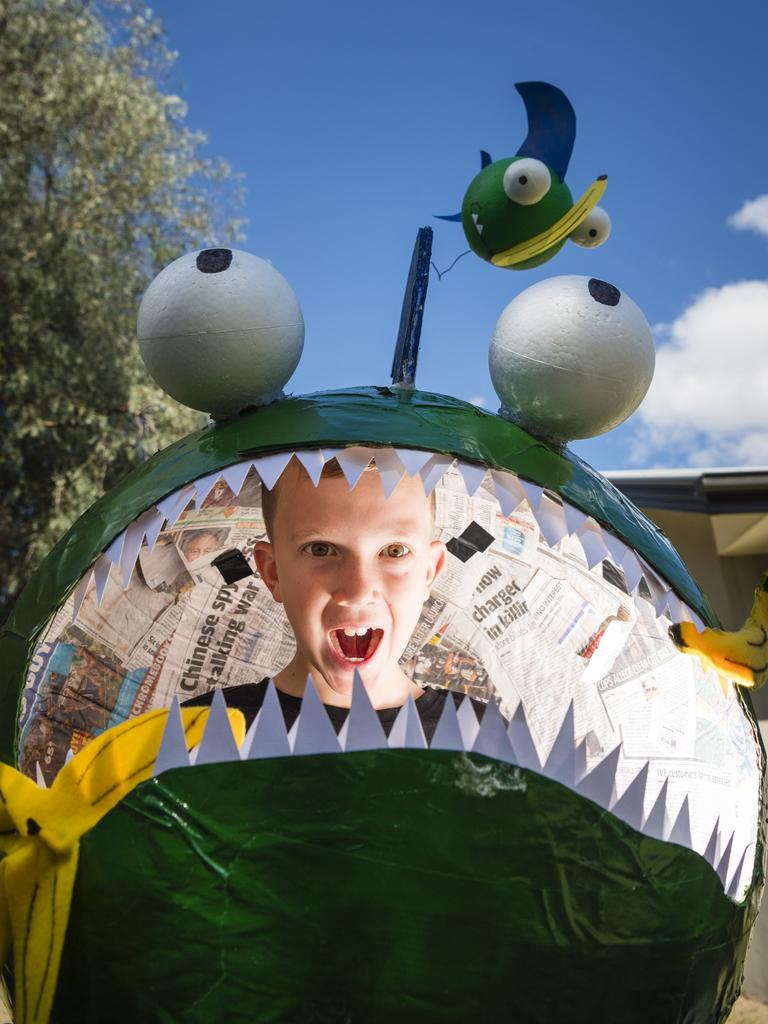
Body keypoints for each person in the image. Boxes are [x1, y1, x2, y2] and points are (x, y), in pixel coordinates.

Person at [185, 457, 488, 740]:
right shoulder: (192, 736)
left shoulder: (484, 739)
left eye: (394, 551)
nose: (358, 592)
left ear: (429, 572)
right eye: (320, 549)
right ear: (273, 572)